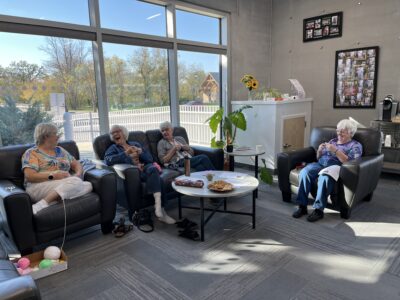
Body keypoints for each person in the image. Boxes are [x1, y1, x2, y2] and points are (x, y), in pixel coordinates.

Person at [292, 119, 363, 222]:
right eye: (338, 130)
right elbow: (318, 157)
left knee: (324, 178)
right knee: (304, 172)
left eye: (343, 131)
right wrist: (320, 151)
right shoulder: (333, 141)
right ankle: (302, 206)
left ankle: (318, 210)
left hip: (335, 167)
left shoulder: (355, 145)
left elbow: (351, 163)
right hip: (320, 164)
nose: (339, 133)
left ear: (351, 133)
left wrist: (335, 150)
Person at [104, 125, 175, 224]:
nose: (115, 134)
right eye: (112, 133)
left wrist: (141, 152)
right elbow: (108, 160)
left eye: (117, 131)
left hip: (146, 169)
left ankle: (159, 208)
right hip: (134, 173)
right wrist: (125, 153)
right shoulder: (113, 148)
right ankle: (161, 210)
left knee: (153, 169)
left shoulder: (135, 144)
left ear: (123, 133)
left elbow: (150, 159)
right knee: (160, 180)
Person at [22, 123, 93, 215]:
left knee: (89, 185)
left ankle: (54, 200)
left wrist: (78, 174)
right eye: (56, 134)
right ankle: (41, 204)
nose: (58, 137)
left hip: (62, 183)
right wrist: (53, 176)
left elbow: (76, 164)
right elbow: (30, 176)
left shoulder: (60, 150)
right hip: (37, 186)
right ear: (46, 136)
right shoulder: (31, 153)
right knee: (75, 183)